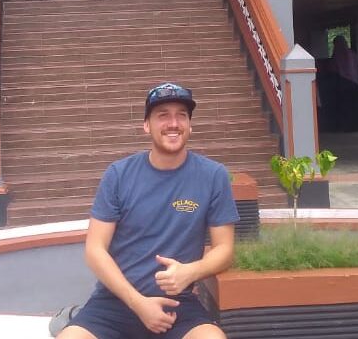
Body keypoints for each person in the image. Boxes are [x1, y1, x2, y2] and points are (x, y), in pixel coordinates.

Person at [56, 82, 239, 339]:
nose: (173, 123)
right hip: (115, 302)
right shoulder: (119, 175)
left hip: (178, 304)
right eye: (163, 115)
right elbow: (95, 249)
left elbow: (225, 250)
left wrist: (190, 272)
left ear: (190, 125)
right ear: (146, 125)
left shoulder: (213, 176)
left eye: (181, 115)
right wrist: (138, 303)